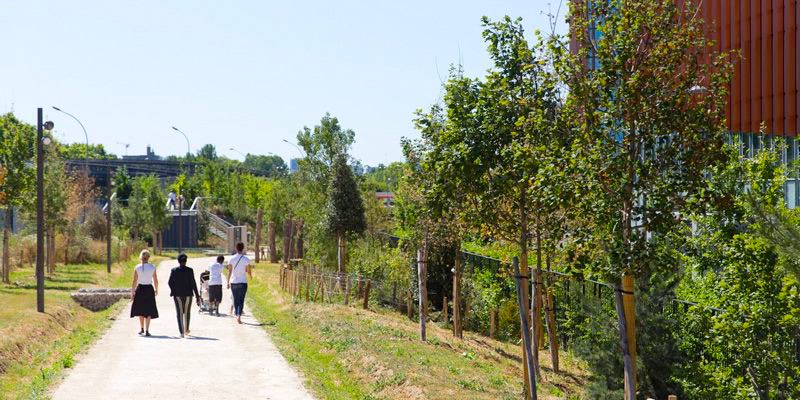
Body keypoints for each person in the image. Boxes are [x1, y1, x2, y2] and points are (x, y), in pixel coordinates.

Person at [167, 254, 200, 338]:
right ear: (186, 261)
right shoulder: (190, 270)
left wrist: (173, 291)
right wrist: (197, 296)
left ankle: (181, 332)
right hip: (188, 294)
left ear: (178, 261)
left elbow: (170, 282)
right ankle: (186, 329)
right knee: (187, 312)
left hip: (177, 295)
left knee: (180, 313)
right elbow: (193, 283)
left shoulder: (174, 270)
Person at [130, 249, 159, 336]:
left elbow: (134, 281)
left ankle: (142, 328)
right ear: (148, 258)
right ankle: (147, 330)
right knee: (149, 309)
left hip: (140, 289)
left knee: (140, 309)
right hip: (149, 289)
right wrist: (156, 289)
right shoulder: (152, 267)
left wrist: (132, 292)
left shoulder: (137, 267)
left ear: (141, 257)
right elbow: (155, 280)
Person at [227, 242, 252, 324]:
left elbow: (229, 271)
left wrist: (227, 282)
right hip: (243, 282)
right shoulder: (246, 259)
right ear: (243, 248)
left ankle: (236, 312)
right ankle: (239, 315)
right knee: (241, 300)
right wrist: (250, 275)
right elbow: (248, 270)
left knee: (236, 299)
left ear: (236, 248)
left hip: (233, 282)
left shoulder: (231, 259)